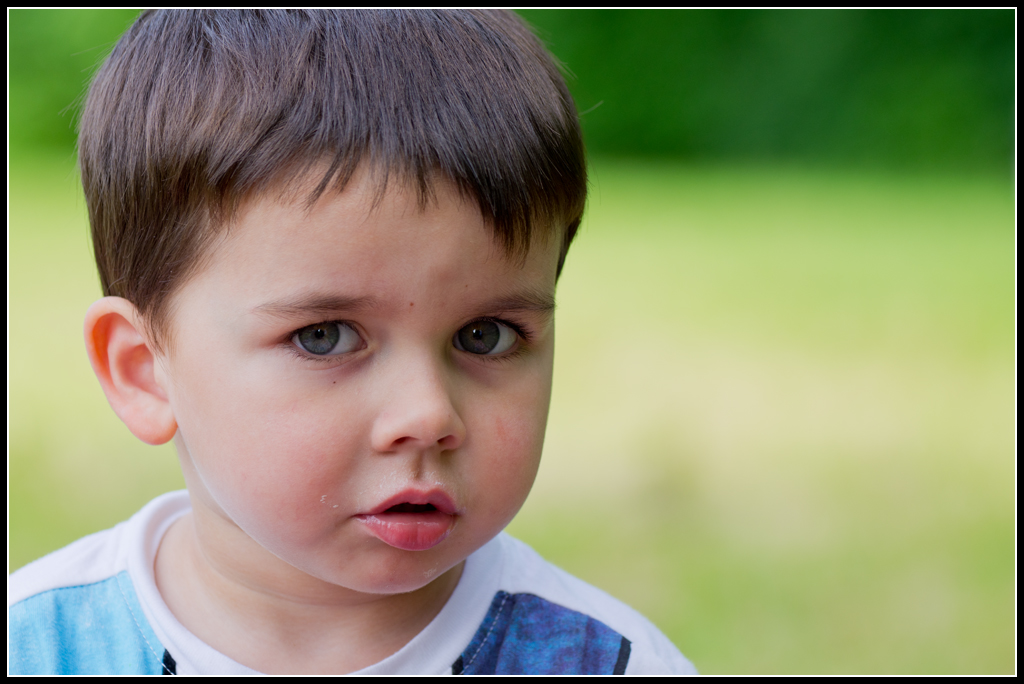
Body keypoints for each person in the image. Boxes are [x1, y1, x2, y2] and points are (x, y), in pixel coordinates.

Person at [8, 10, 697, 675]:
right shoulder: (37, 649)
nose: (428, 416)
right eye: (324, 337)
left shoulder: (605, 663)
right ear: (145, 372)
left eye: (484, 337)